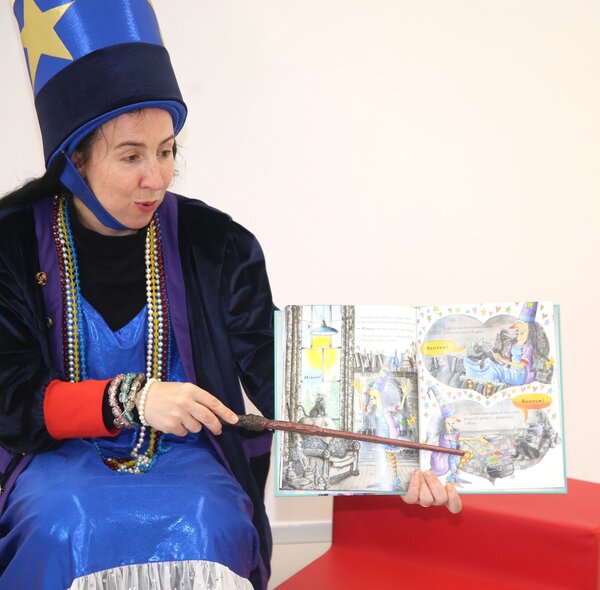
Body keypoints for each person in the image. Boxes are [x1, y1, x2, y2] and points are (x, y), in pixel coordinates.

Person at [0, 2, 460, 589]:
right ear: (75, 158)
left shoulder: (216, 243)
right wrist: (132, 399)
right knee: (65, 523)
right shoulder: (12, 245)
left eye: (167, 150)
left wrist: (404, 458)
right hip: (53, 463)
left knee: (208, 521)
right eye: (131, 156)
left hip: (189, 459)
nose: (156, 177)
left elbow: (285, 378)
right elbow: (11, 396)